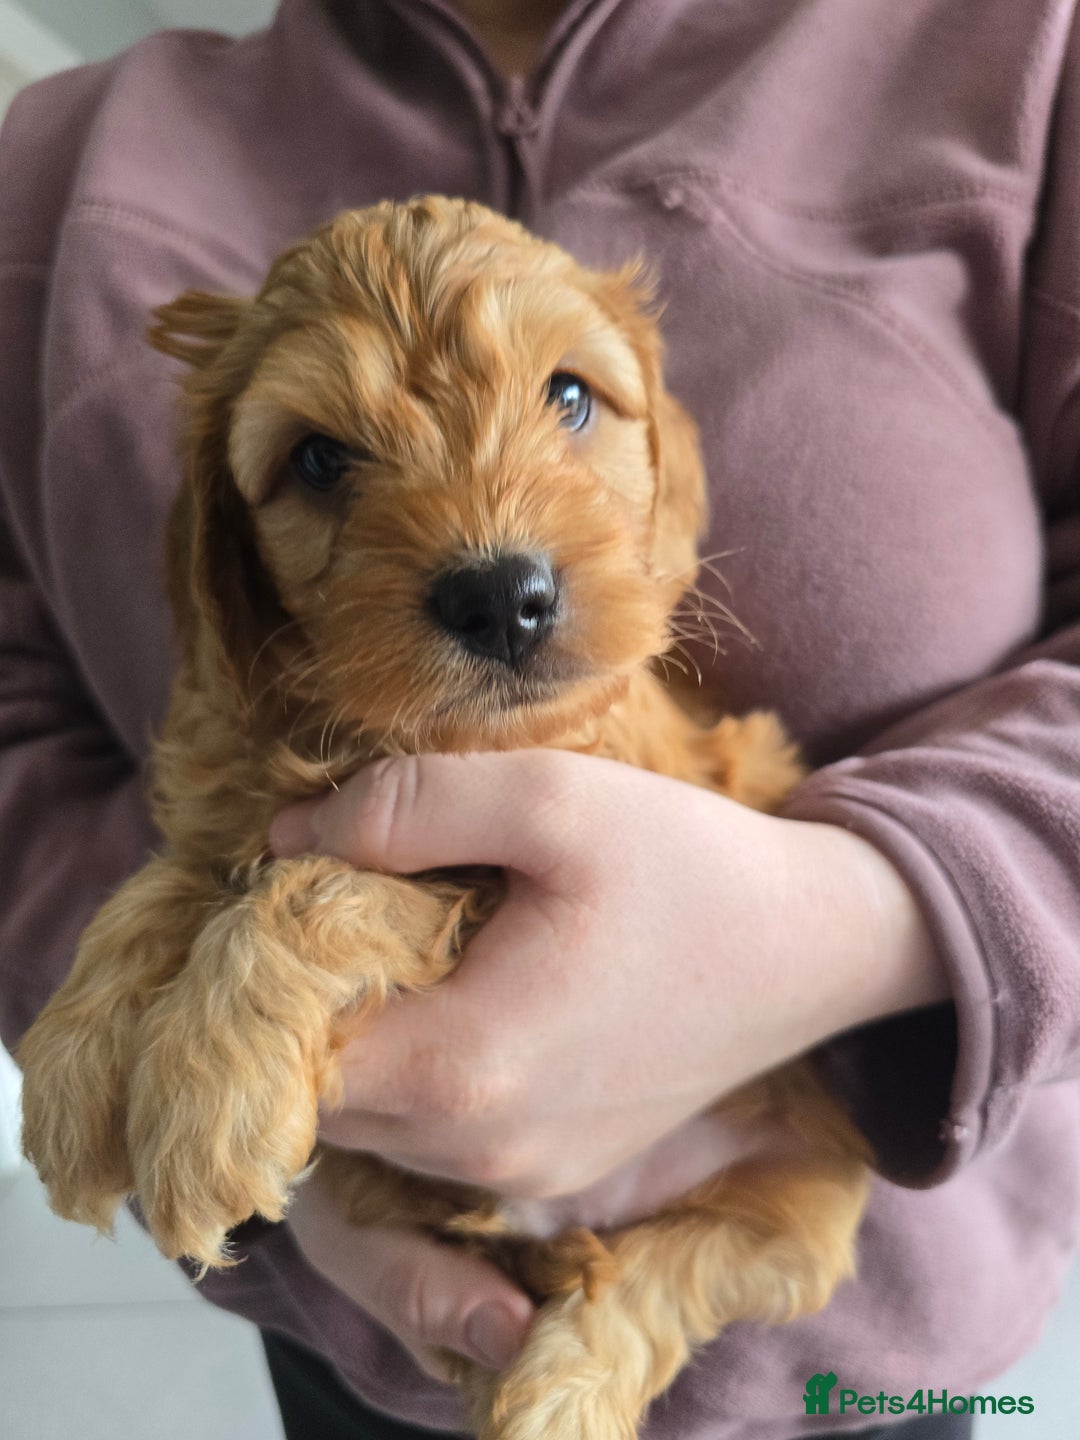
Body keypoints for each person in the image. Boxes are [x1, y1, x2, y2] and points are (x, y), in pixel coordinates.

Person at [2, 1, 1078, 1437]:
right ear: (223, 556)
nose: (488, 555)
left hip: (861, 1338)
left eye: (571, 396)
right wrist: (152, 1012)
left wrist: (855, 920)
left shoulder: (1024, 45)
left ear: (663, 461)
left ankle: (626, 1323)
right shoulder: (48, 168)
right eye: (324, 460)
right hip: (353, 1343)